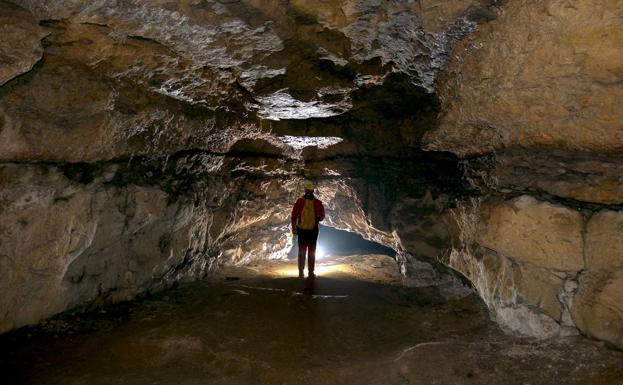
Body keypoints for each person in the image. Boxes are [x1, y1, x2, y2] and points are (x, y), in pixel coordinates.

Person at [291, 180, 325, 278]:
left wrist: (294, 228)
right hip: (313, 231)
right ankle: (311, 273)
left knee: (301, 251)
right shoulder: (318, 203)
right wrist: (317, 219)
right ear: (313, 190)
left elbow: (294, 216)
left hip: (302, 230)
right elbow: (322, 217)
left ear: (305, 190)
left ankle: (301, 272)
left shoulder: (300, 201)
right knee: (312, 251)